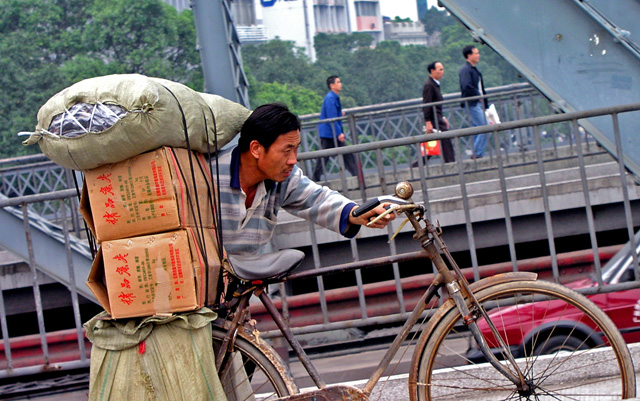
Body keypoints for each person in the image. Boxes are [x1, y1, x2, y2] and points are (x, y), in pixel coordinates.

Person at [213, 103, 393, 256]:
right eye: (286, 150)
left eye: (296, 149)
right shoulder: (208, 177)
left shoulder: (282, 179)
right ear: (256, 148)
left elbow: (317, 198)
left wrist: (357, 213)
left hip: (239, 284)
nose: (293, 160)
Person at [312, 76, 359, 181]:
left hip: (330, 133)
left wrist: (339, 114)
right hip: (329, 133)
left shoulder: (333, 97)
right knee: (324, 157)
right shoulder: (330, 98)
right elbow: (332, 118)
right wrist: (339, 133)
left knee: (343, 154)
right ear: (332, 85)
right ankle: (357, 175)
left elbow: (334, 114)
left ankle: (356, 175)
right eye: (338, 82)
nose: (340, 84)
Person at [459, 45, 489, 159]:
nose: (478, 55)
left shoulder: (472, 69)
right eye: (476, 53)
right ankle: (476, 153)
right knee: (485, 127)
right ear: (469, 55)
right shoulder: (466, 70)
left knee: (479, 128)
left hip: (477, 103)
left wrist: (485, 104)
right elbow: (466, 86)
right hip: (472, 103)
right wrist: (478, 96)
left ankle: (477, 153)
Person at [423, 61, 455, 163]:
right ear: (432, 71)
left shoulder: (435, 84)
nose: (442, 72)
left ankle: (417, 165)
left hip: (437, 116)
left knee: (432, 144)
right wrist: (428, 121)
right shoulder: (429, 85)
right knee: (445, 139)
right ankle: (450, 163)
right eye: (440, 69)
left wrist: (443, 117)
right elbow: (427, 104)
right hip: (434, 118)